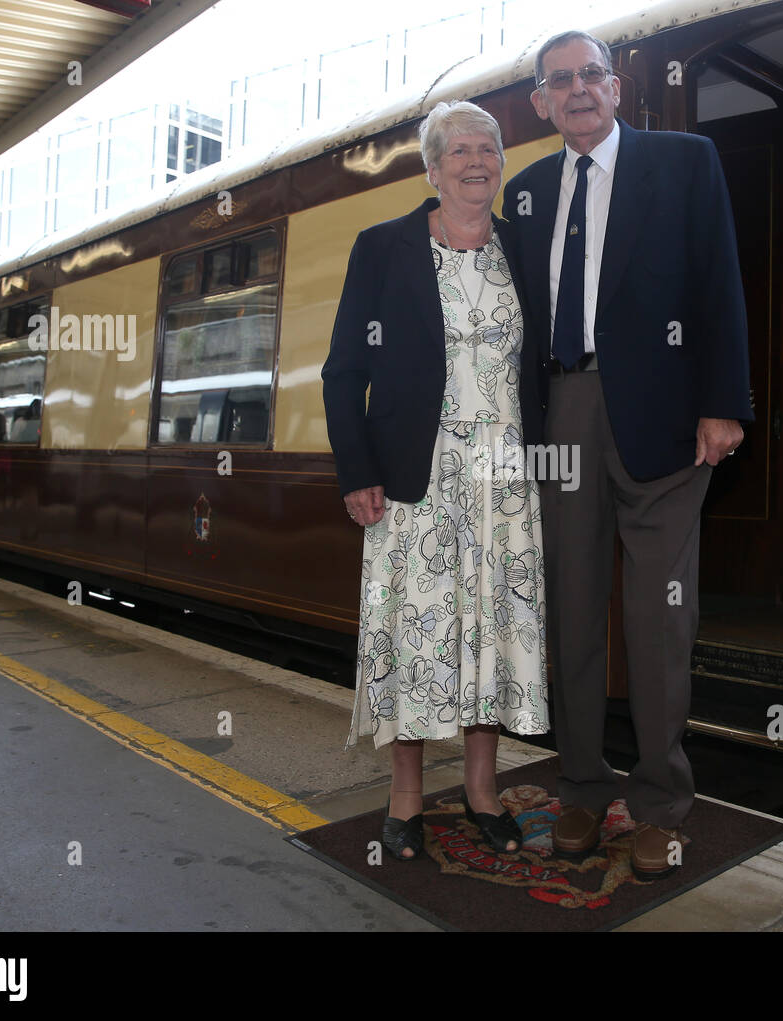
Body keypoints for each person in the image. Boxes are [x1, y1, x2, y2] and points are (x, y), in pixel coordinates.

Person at [502, 30, 752, 880]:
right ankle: (577, 785)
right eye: (559, 81)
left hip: (668, 418)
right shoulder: (529, 191)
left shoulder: (686, 161)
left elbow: (720, 281)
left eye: (591, 76)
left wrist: (725, 404)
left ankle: (659, 804)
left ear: (619, 87)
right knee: (569, 606)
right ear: (541, 101)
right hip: (562, 411)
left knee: (657, 618)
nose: (577, 91)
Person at [322, 101, 548, 862]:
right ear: (432, 167)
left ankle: (483, 788)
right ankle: (407, 795)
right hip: (415, 473)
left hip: (504, 478)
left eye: (488, 149)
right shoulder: (383, 247)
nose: (476, 161)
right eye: (459, 151)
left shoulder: (522, 249)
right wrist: (357, 469)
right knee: (416, 634)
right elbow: (343, 369)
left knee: (491, 632)